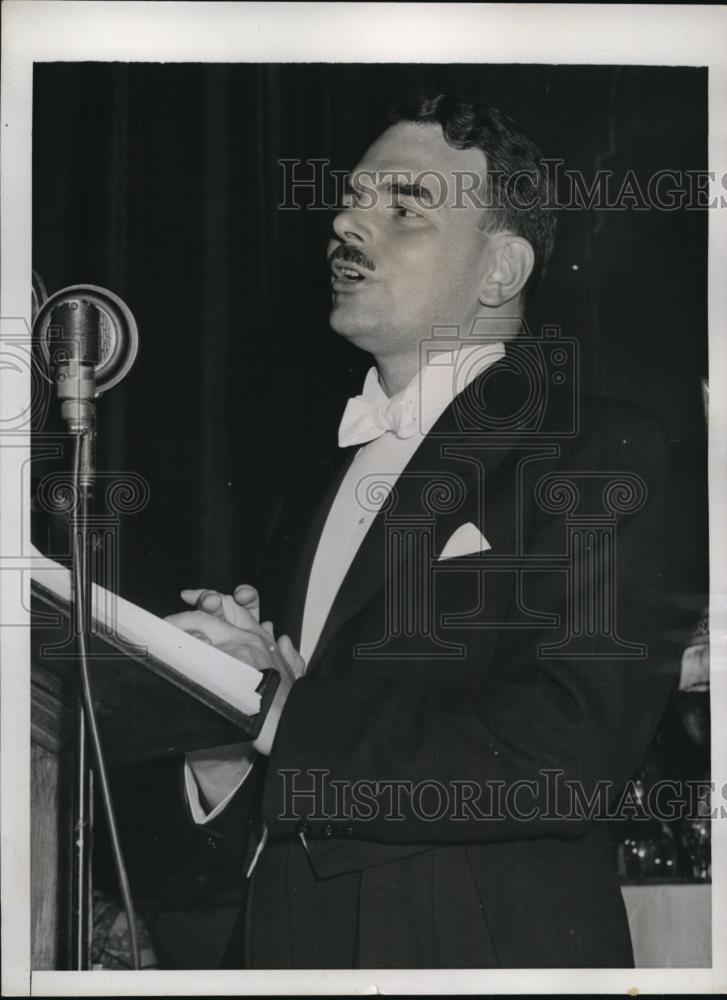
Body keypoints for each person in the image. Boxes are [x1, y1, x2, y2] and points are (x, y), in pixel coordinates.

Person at [166, 94, 683, 968]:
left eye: (402, 208)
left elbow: (563, 750)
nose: (343, 221)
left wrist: (281, 714)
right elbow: (303, 769)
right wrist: (226, 743)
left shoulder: (599, 450)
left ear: (499, 270)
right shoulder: (318, 482)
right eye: (351, 199)